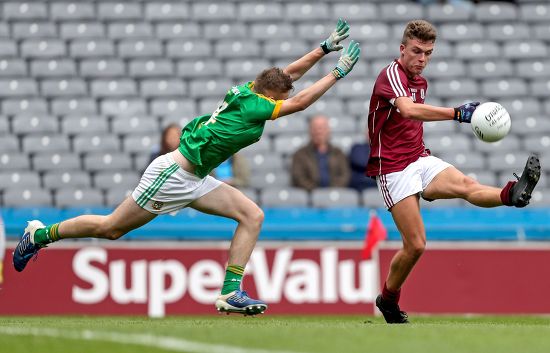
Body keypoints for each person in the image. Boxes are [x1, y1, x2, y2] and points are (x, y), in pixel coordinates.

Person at [13, 19, 360, 316]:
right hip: (172, 175)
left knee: (252, 216)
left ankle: (229, 293)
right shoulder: (257, 106)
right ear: (270, 96)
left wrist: (323, 48)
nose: (286, 93)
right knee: (111, 228)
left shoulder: (251, 89)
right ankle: (40, 234)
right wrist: (337, 73)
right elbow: (298, 101)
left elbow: (286, 77)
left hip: (196, 177)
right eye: (281, 95)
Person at [367, 20, 540, 324]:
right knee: (416, 244)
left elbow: (412, 118)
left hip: (418, 158)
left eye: (428, 53)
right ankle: (388, 299)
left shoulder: (421, 81)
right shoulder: (391, 74)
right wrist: (457, 113)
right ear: (402, 49)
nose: (422, 59)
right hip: (392, 168)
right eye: (417, 51)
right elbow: (407, 110)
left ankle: (511, 195)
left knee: (466, 184)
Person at [291, 115, 351, 191]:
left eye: (322, 128)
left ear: (328, 130)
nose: (318, 131)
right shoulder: (300, 154)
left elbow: (345, 175)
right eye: (315, 128)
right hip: (310, 196)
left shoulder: (338, 153)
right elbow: (299, 178)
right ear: (310, 131)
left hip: (335, 194)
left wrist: (331, 191)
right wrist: (316, 192)